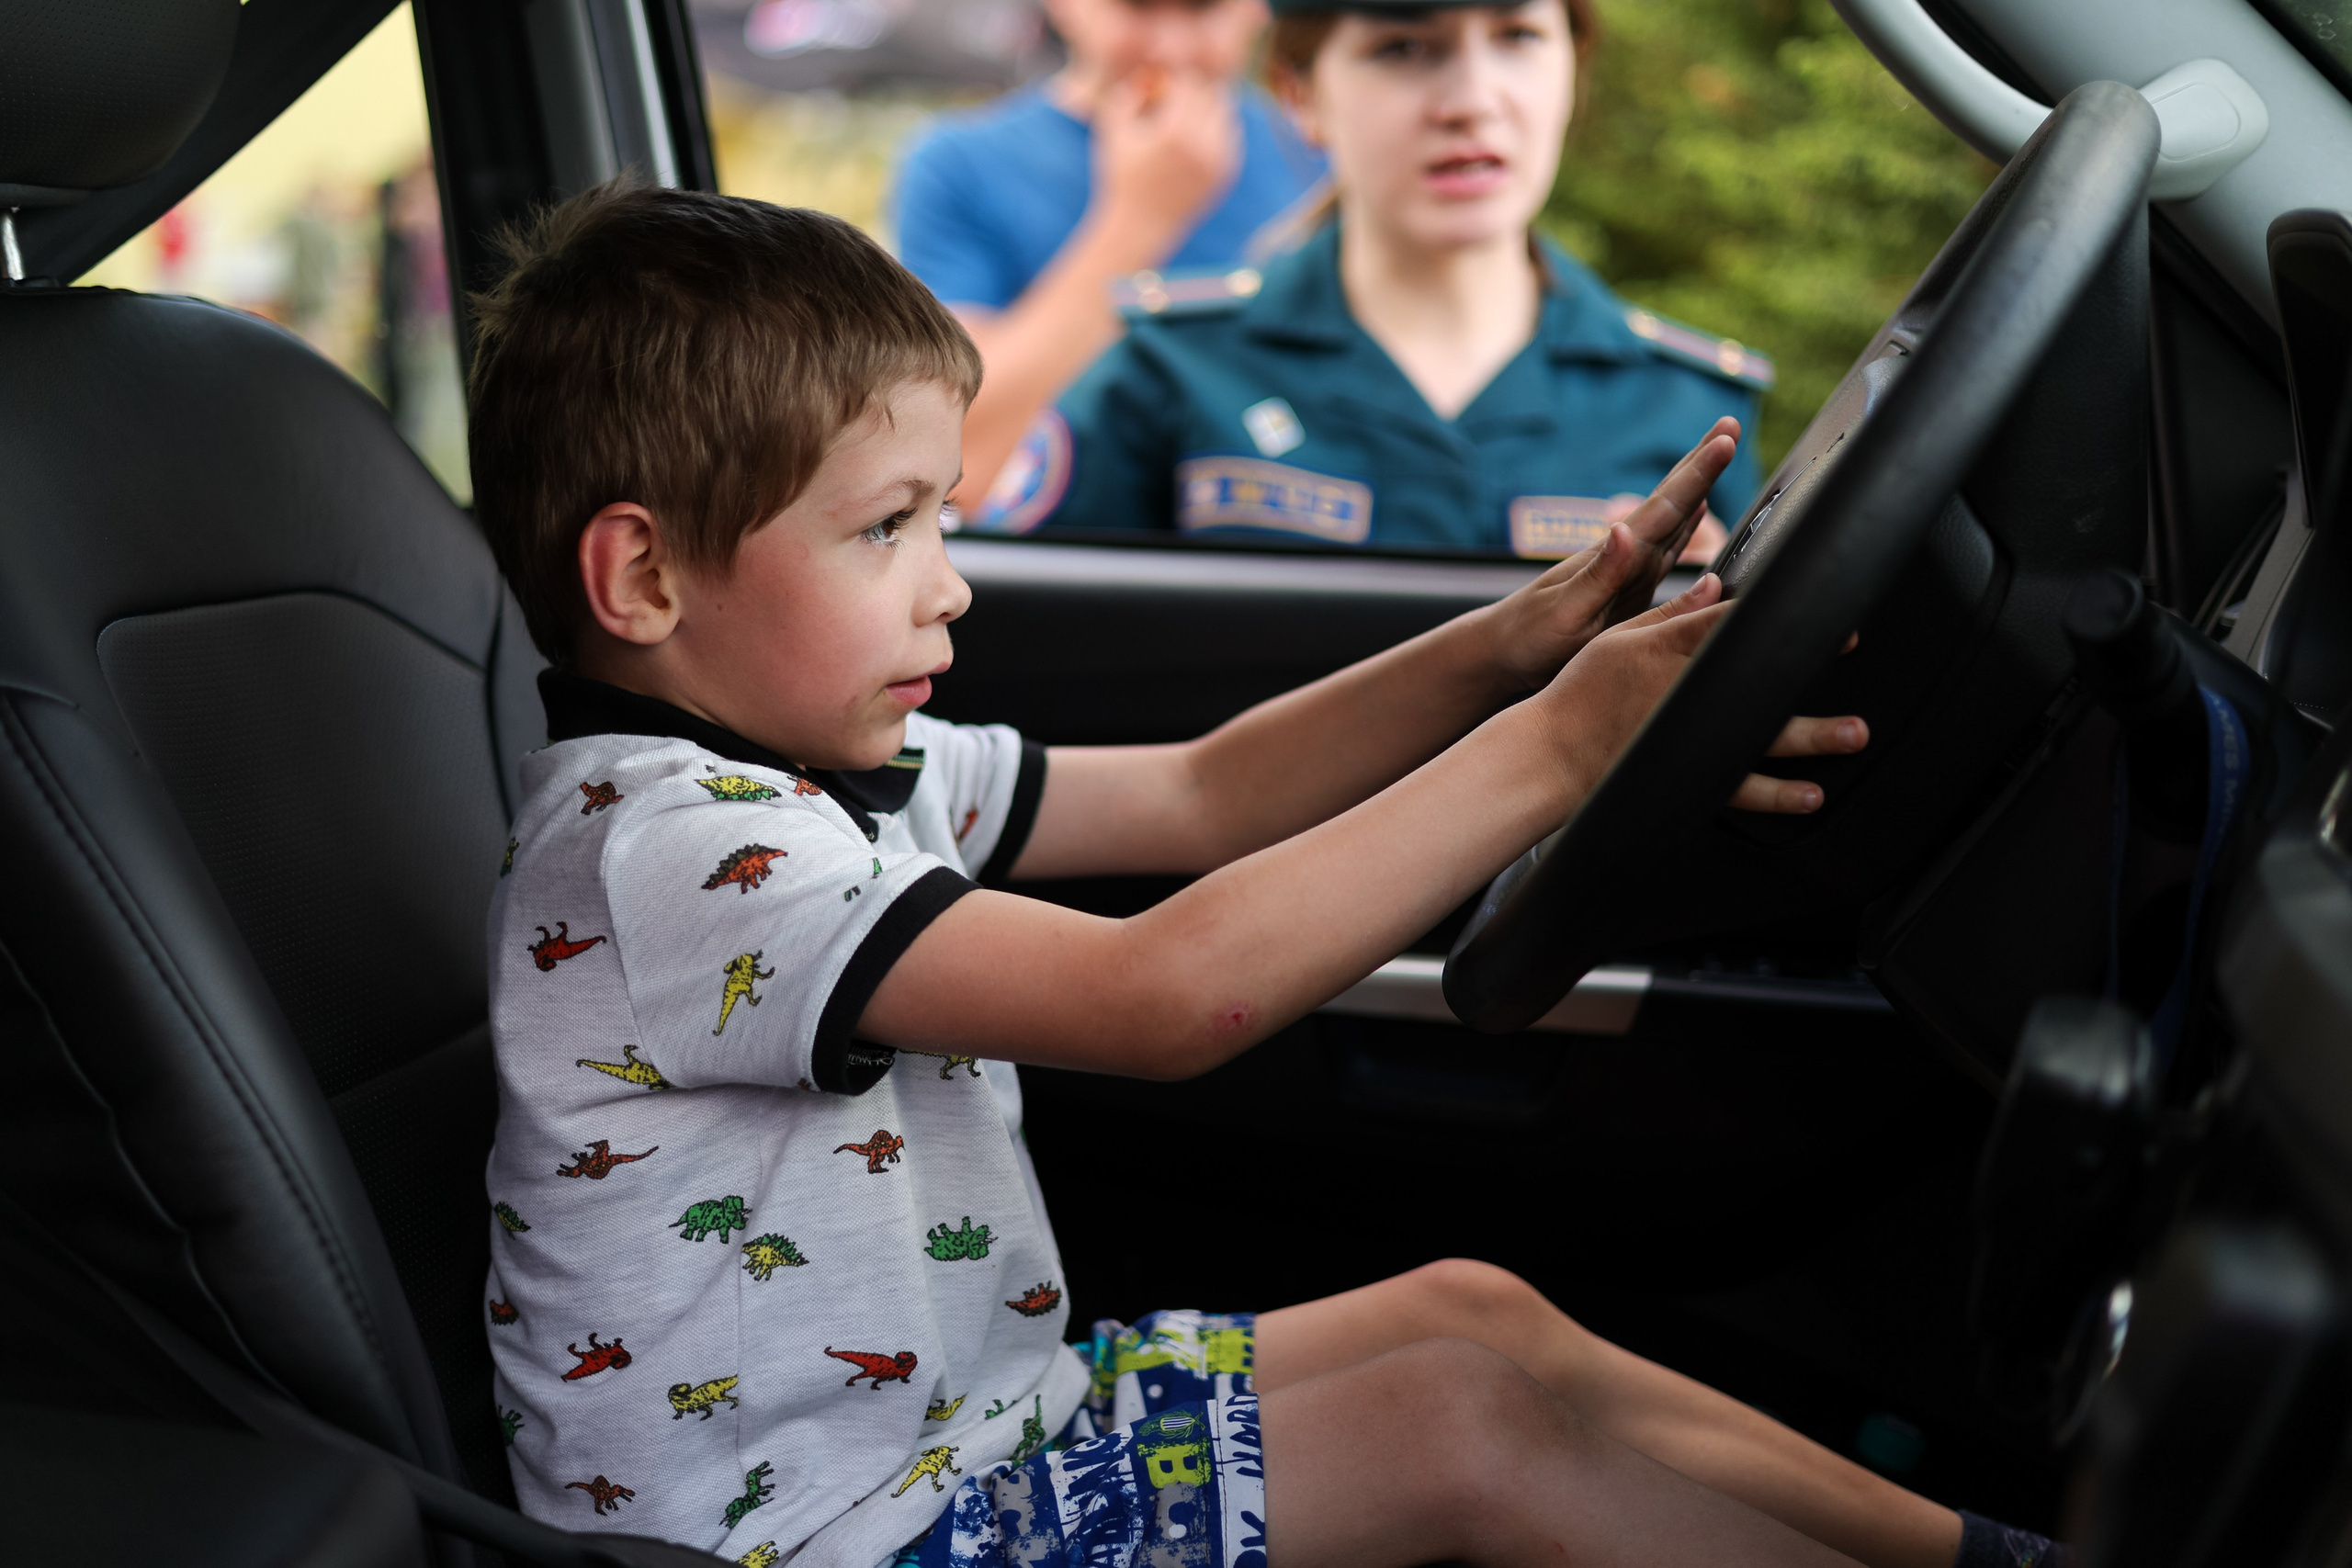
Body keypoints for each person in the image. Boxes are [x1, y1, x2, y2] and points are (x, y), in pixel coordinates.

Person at [467, 181, 2068, 1568]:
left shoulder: (833, 776)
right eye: (887, 527)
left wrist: (1518, 648)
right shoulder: (672, 847)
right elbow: (1163, 994)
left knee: (1472, 1312)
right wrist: (1565, 747)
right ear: (645, 575)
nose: (948, 585)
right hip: (830, 1536)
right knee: (1453, 1420)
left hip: (975, 1436)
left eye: (944, 514)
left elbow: (1208, 788)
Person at [975, 0, 1768, 564]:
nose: (1472, 100)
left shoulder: (1688, 407)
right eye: (1402, 47)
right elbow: (1021, 649)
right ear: (1300, 94)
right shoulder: (1170, 369)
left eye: (1519, 35)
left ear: (1573, 70)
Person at [890, 0, 1325, 512]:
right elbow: (959, 462)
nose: (1171, 48)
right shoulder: (958, 165)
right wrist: (1141, 218)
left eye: (1204, 10)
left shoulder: (1320, 158)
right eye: (1136, 9)